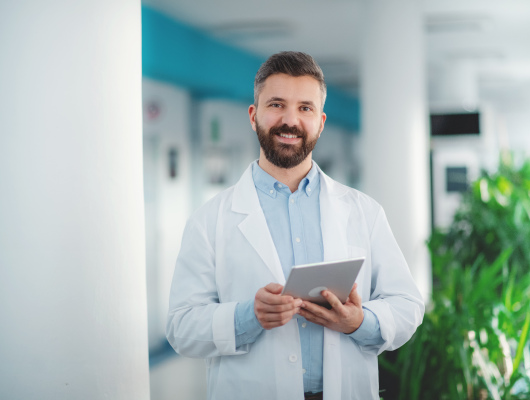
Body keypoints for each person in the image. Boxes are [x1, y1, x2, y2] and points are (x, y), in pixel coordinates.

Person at [166, 51, 424, 400]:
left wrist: (359, 322)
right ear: (253, 115)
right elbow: (181, 327)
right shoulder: (209, 219)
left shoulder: (364, 211)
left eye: (305, 108)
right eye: (276, 104)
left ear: (321, 121)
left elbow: (407, 304)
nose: (291, 120)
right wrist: (248, 316)